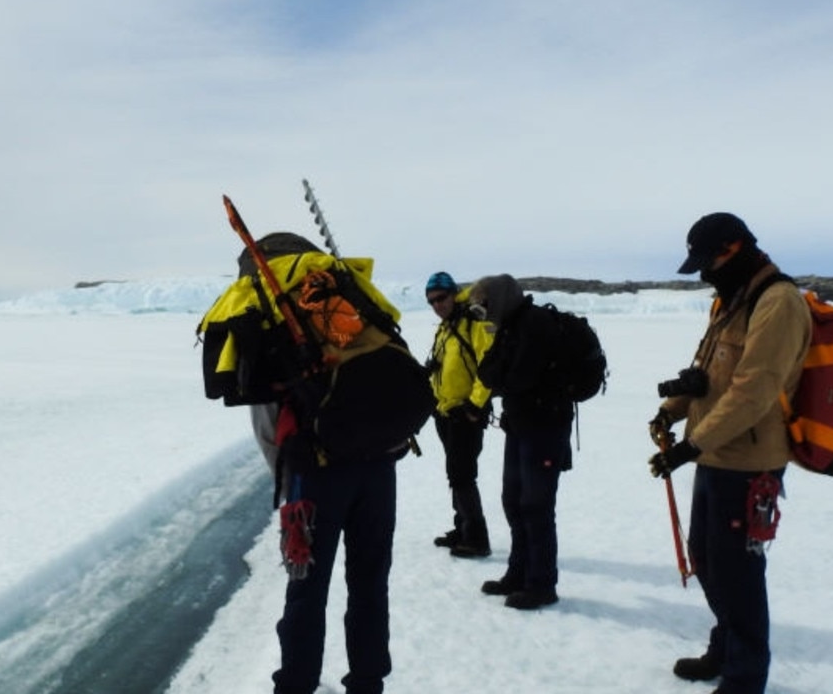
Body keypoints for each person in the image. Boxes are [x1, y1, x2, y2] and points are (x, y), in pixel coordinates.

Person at [199, 231, 433, 694]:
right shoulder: (347, 300)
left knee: (307, 590)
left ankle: (295, 685)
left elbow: (268, 425)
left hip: (317, 476)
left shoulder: (273, 316)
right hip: (379, 470)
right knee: (369, 585)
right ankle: (367, 684)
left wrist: (290, 483)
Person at [646, 212, 811, 694]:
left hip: (749, 463)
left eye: (708, 261)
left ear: (735, 249)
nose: (703, 273)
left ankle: (745, 676)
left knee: (737, 573)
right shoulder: (731, 298)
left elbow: (752, 392)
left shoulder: (777, 302)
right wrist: (670, 411)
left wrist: (689, 447)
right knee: (707, 559)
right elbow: (706, 372)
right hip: (715, 457)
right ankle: (725, 648)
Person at [467, 274, 572, 610]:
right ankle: (518, 573)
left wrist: (502, 377)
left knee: (536, 506)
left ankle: (542, 583)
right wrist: (501, 375)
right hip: (522, 427)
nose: (480, 312)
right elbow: (487, 373)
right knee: (514, 500)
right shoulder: (507, 326)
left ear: (497, 298)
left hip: (545, 428)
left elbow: (517, 378)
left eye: (482, 304)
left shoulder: (534, 325)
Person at [424, 271, 495, 558]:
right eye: (431, 302)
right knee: (455, 474)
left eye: (441, 298)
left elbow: (488, 367)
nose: (437, 305)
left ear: (454, 294)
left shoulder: (474, 323)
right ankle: (463, 527)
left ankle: (477, 538)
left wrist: (475, 405)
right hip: (445, 412)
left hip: (466, 413)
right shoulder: (445, 328)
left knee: (462, 474)